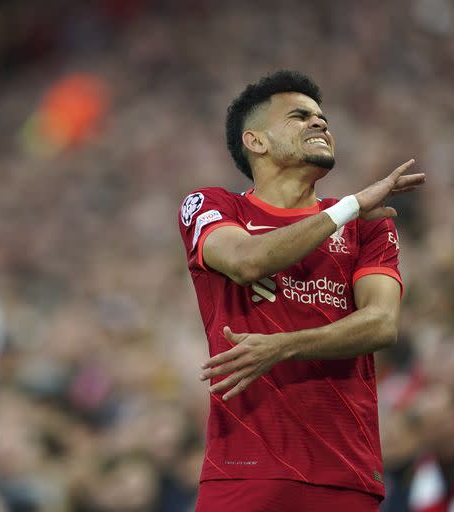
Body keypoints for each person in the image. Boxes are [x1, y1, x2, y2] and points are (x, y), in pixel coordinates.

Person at [177, 70, 426, 511]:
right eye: (300, 116)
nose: (320, 123)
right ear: (256, 141)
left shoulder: (367, 225)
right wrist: (349, 207)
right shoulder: (213, 205)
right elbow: (246, 260)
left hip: (344, 471)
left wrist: (283, 347)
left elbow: (382, 323)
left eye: (322, 117)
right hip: (243, 467)